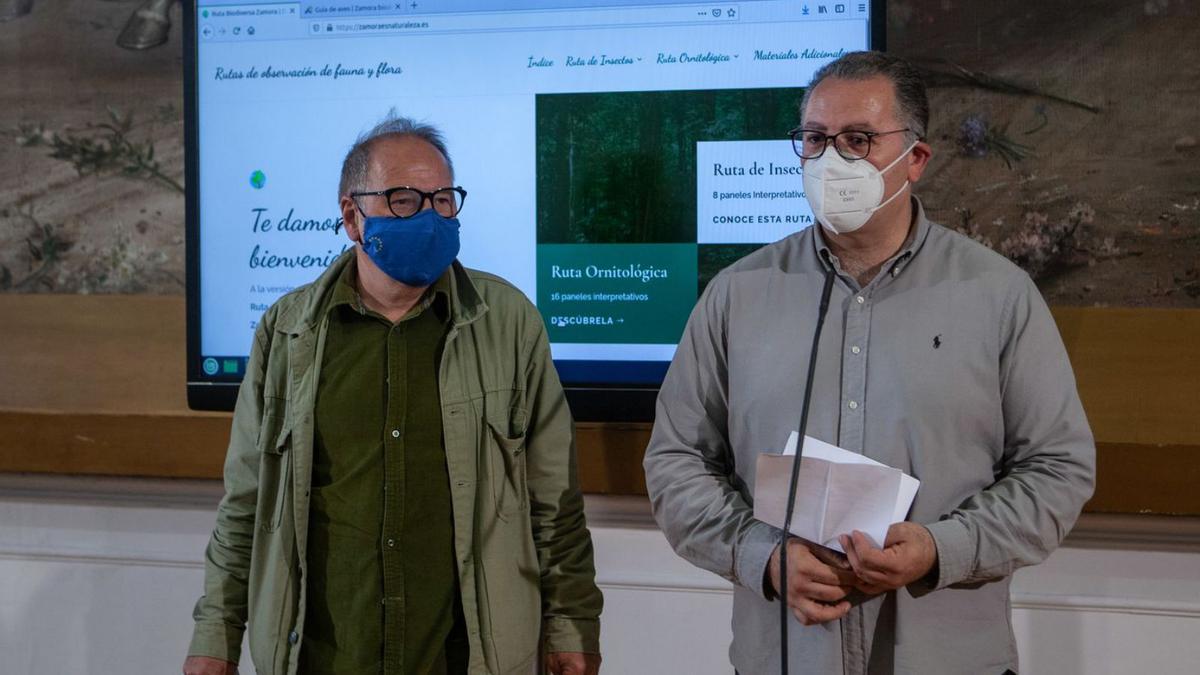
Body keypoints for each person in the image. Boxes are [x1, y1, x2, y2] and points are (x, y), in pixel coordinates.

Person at [643, 51, 1095, 674]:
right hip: (784, 656)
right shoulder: (736, 295)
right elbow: (676, 462)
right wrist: (762, 557)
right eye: (815, 139)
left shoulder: (999, 295)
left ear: (916, 159)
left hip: (948, 658)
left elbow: (1058, 469)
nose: (832, 160)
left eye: (858, 140)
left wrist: (942, 549)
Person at [183, 115, 602, 675]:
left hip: (465, 659)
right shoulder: (287, 334)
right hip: (322, 658)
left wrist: (571, 626)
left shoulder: (510, 324)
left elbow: (555, 503)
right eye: (404, 200)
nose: (429, 216)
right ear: (352, 216)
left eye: (443, 199)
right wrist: (215, 636)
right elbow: (246, 504)